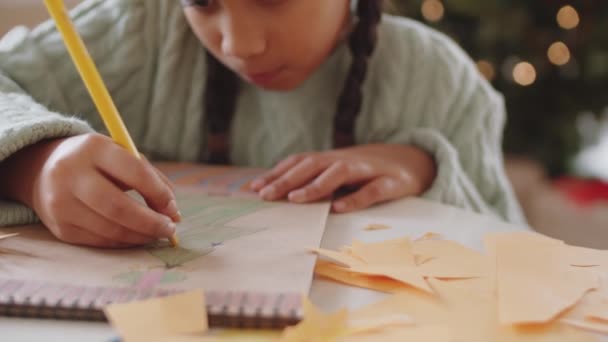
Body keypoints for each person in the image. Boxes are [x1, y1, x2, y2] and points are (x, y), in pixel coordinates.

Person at [0, 0, 524, 248]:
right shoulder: (139, 31)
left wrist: (425, 168)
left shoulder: (441, 82)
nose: (238, 44)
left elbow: (516, 262)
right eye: (203, 3)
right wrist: (34, 160)